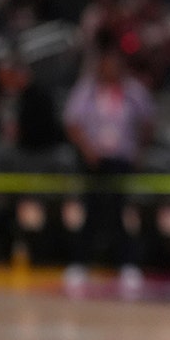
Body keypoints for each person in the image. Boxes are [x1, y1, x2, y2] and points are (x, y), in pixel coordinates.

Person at [62, 30, 156, 299]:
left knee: (120, 213)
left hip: (121, 160)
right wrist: (87, 149)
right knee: (90, 212)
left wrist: (139, 149)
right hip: (93, 161)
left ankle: (127, 265)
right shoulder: (87, 89)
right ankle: (80, 264)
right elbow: (72, 122)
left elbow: (149, 121)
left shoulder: (133, 91)